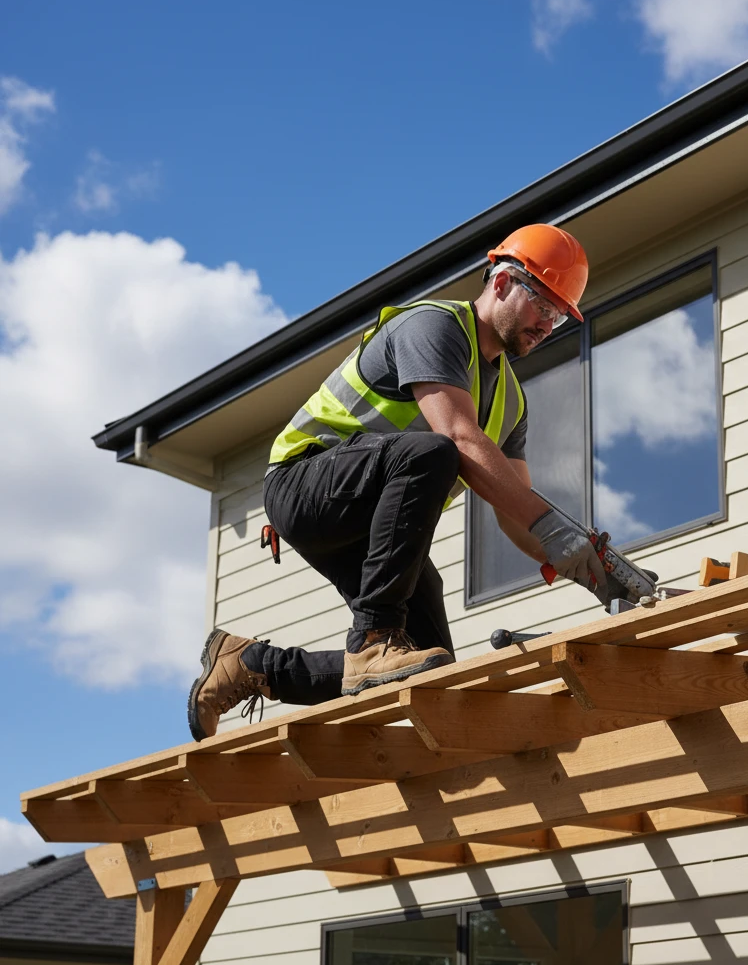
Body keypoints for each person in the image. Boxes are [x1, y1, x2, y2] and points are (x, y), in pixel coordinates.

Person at [187, 224, 607, 741]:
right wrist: (558, 533)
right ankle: (373, 638)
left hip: (364, 518)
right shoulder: (435, 328)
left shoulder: (512, 403)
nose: (549, 323)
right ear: (500, 283)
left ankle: (251, 666)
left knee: (431, 670)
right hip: (303, 484)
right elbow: (455, 434)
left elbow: (514, 511)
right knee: (438, 450)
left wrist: (576, 559)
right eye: (543, 305)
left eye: (560, 314)